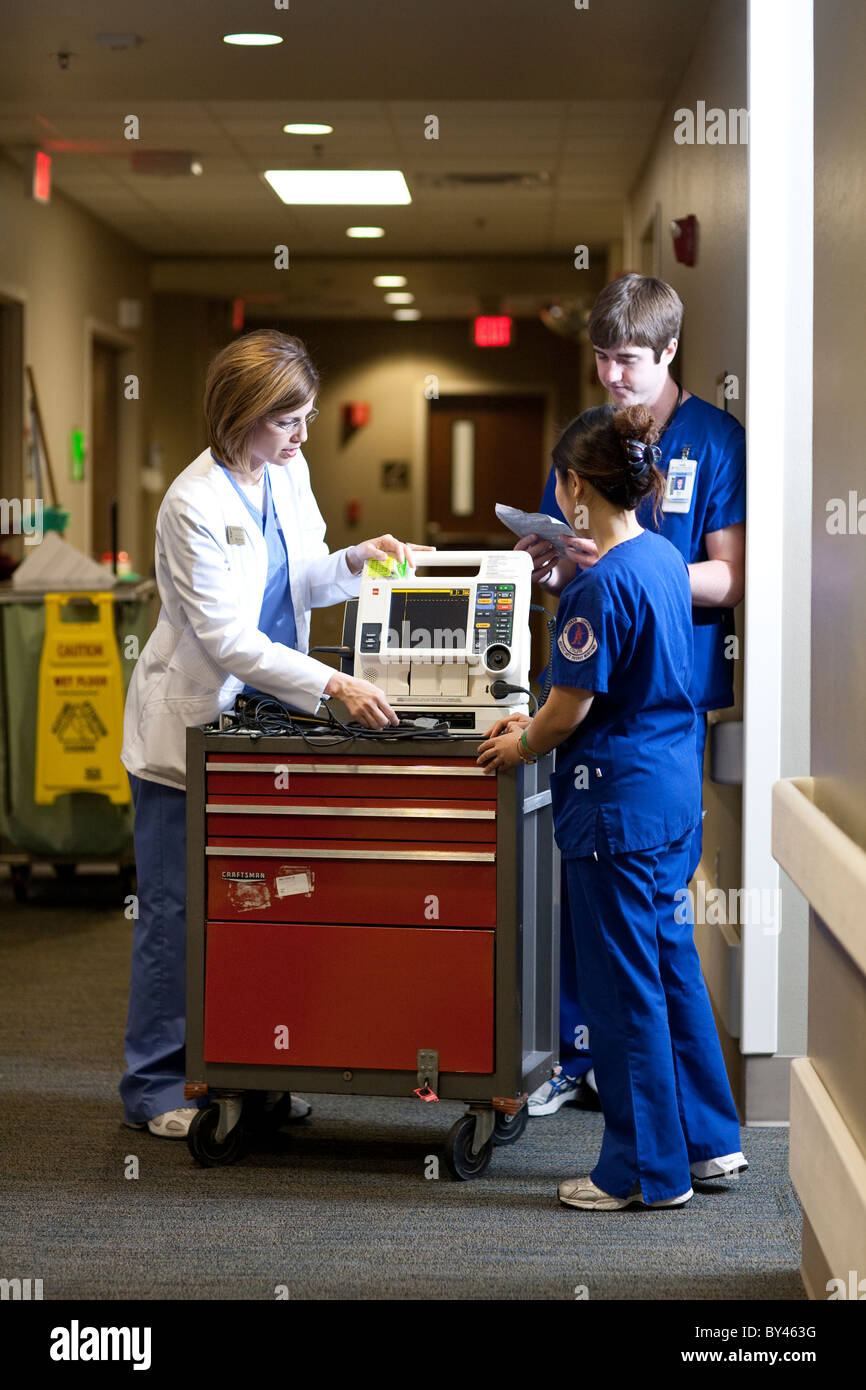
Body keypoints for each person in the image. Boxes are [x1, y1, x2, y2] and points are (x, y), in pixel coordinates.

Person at [120, 329, 426, 1138]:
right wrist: (333, 683)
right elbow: (224, 638)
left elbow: (306, 576)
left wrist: (361, 558)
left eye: (306, 419)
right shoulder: (192, 502)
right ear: (242, 415)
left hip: (263, 723)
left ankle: (258, 1071)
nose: (301, 436)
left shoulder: (287, 472)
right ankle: (155, 1088)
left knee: (269, 900)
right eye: (287, 420)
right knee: (177, 914)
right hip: (191, 728)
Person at [478, 403, 746, 1209]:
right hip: (669, 797)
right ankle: (708, 1144)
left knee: (624, 991)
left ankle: (641, 1173)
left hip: (615, 813)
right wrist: (564, 579)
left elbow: (567, 710)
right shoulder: (664, 557)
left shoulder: (596, 591)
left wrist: (520, 743)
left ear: (574, 489)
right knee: (670, 968)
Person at [521, 274, 746, 1117]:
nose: (612, 378)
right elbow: (563, 563)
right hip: (588, 692)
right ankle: (583, 1060)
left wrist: (631, 571)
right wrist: (551, 566)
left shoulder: (714, 441)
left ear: (669, 352)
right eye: (601, 360)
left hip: (660, 706)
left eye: (627, 361)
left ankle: (651, 1110)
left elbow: (730, 578)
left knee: (647, 922)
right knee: (586, 894)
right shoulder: (590, 444)